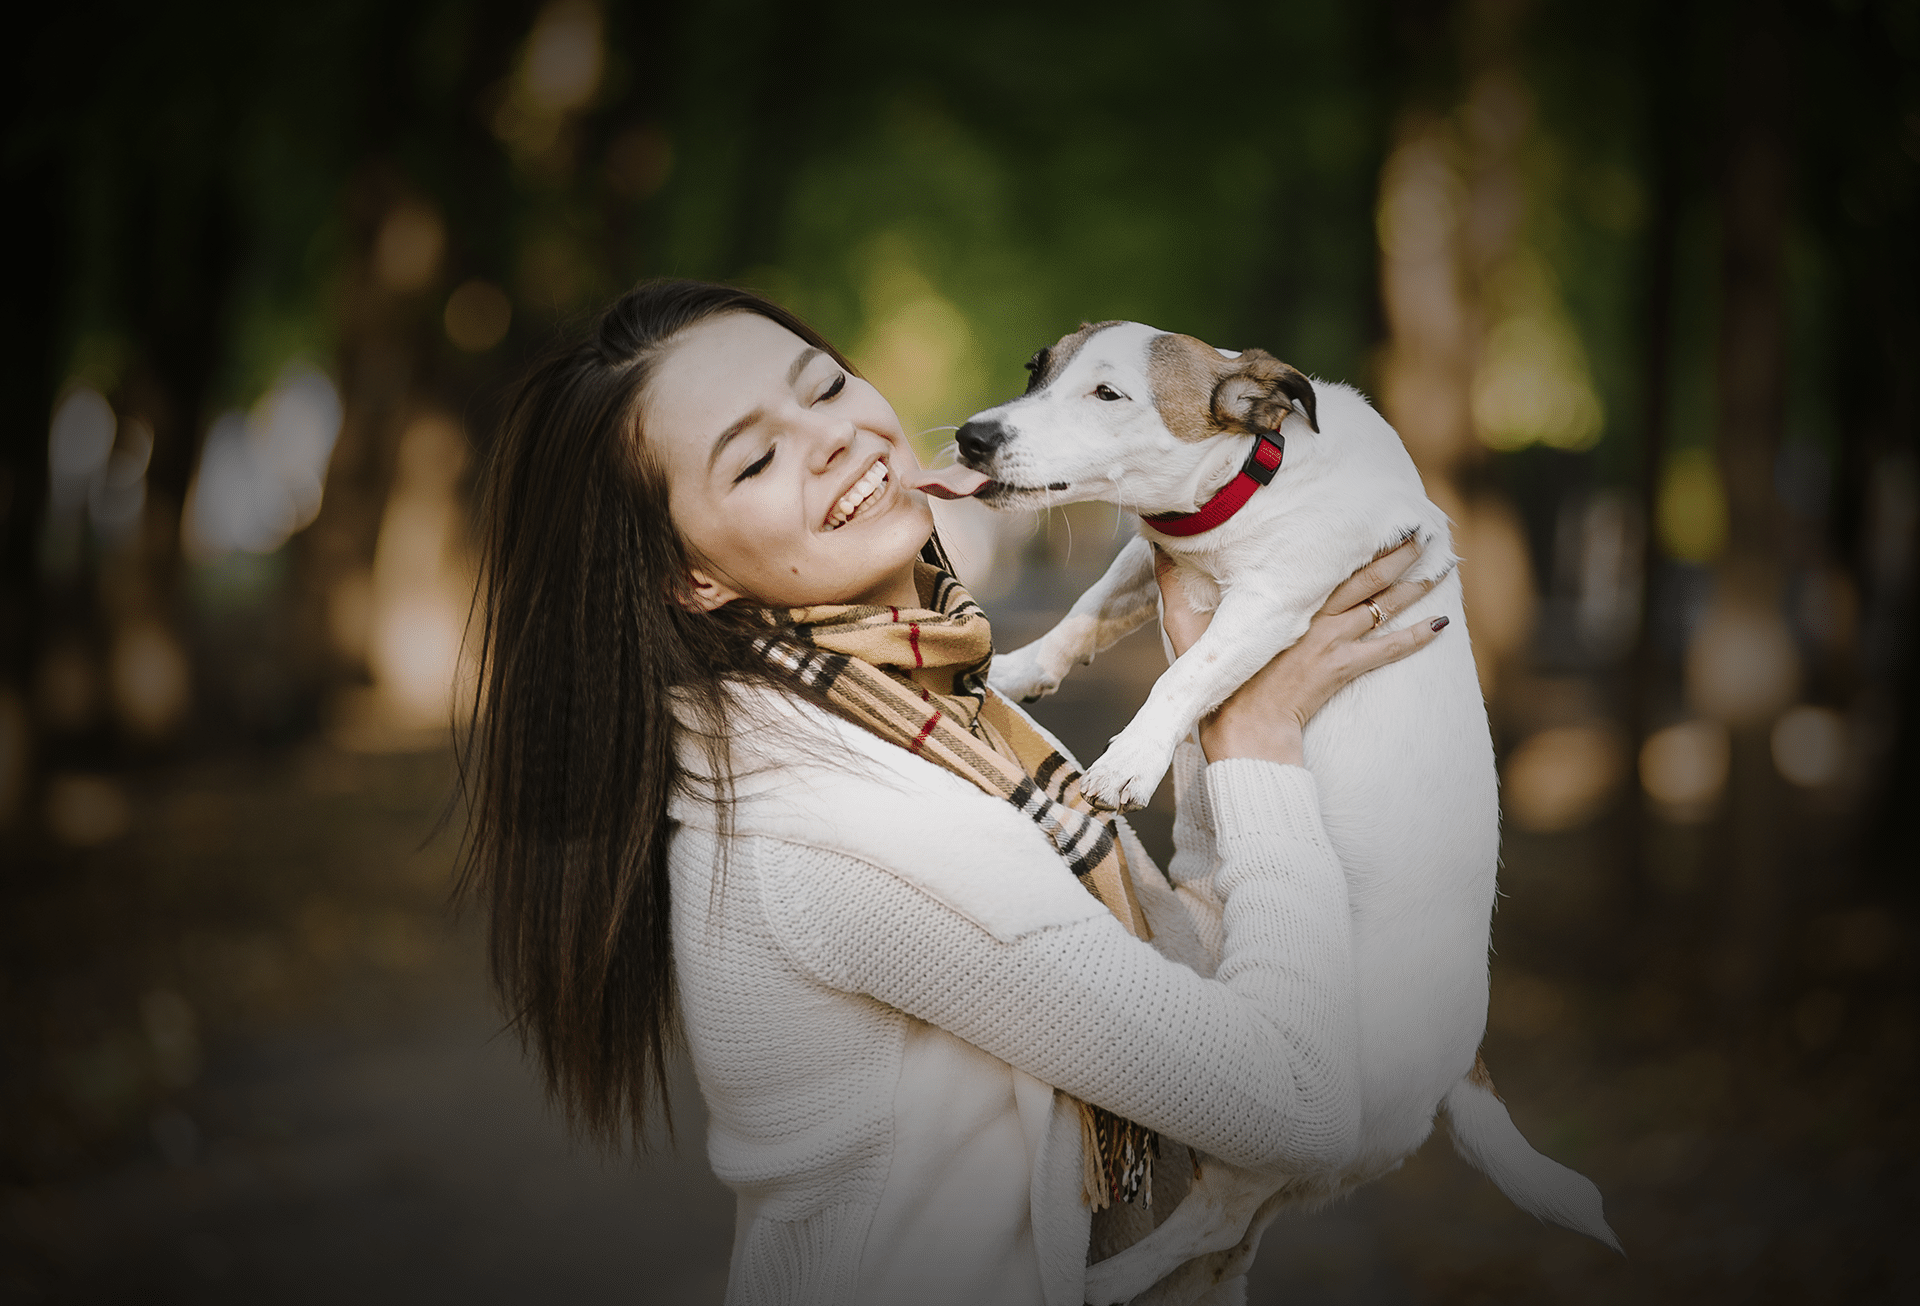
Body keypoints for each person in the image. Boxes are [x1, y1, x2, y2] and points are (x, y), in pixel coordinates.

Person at [458, 280, 1445, 1306]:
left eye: (826, 385)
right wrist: (1255, 740)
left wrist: (1225, 726)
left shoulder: (933, 724)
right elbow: (1298, 1102)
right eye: (754, 459)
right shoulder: (848, 826)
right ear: (689, 578)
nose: (833, 438)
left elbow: (1193, 995)